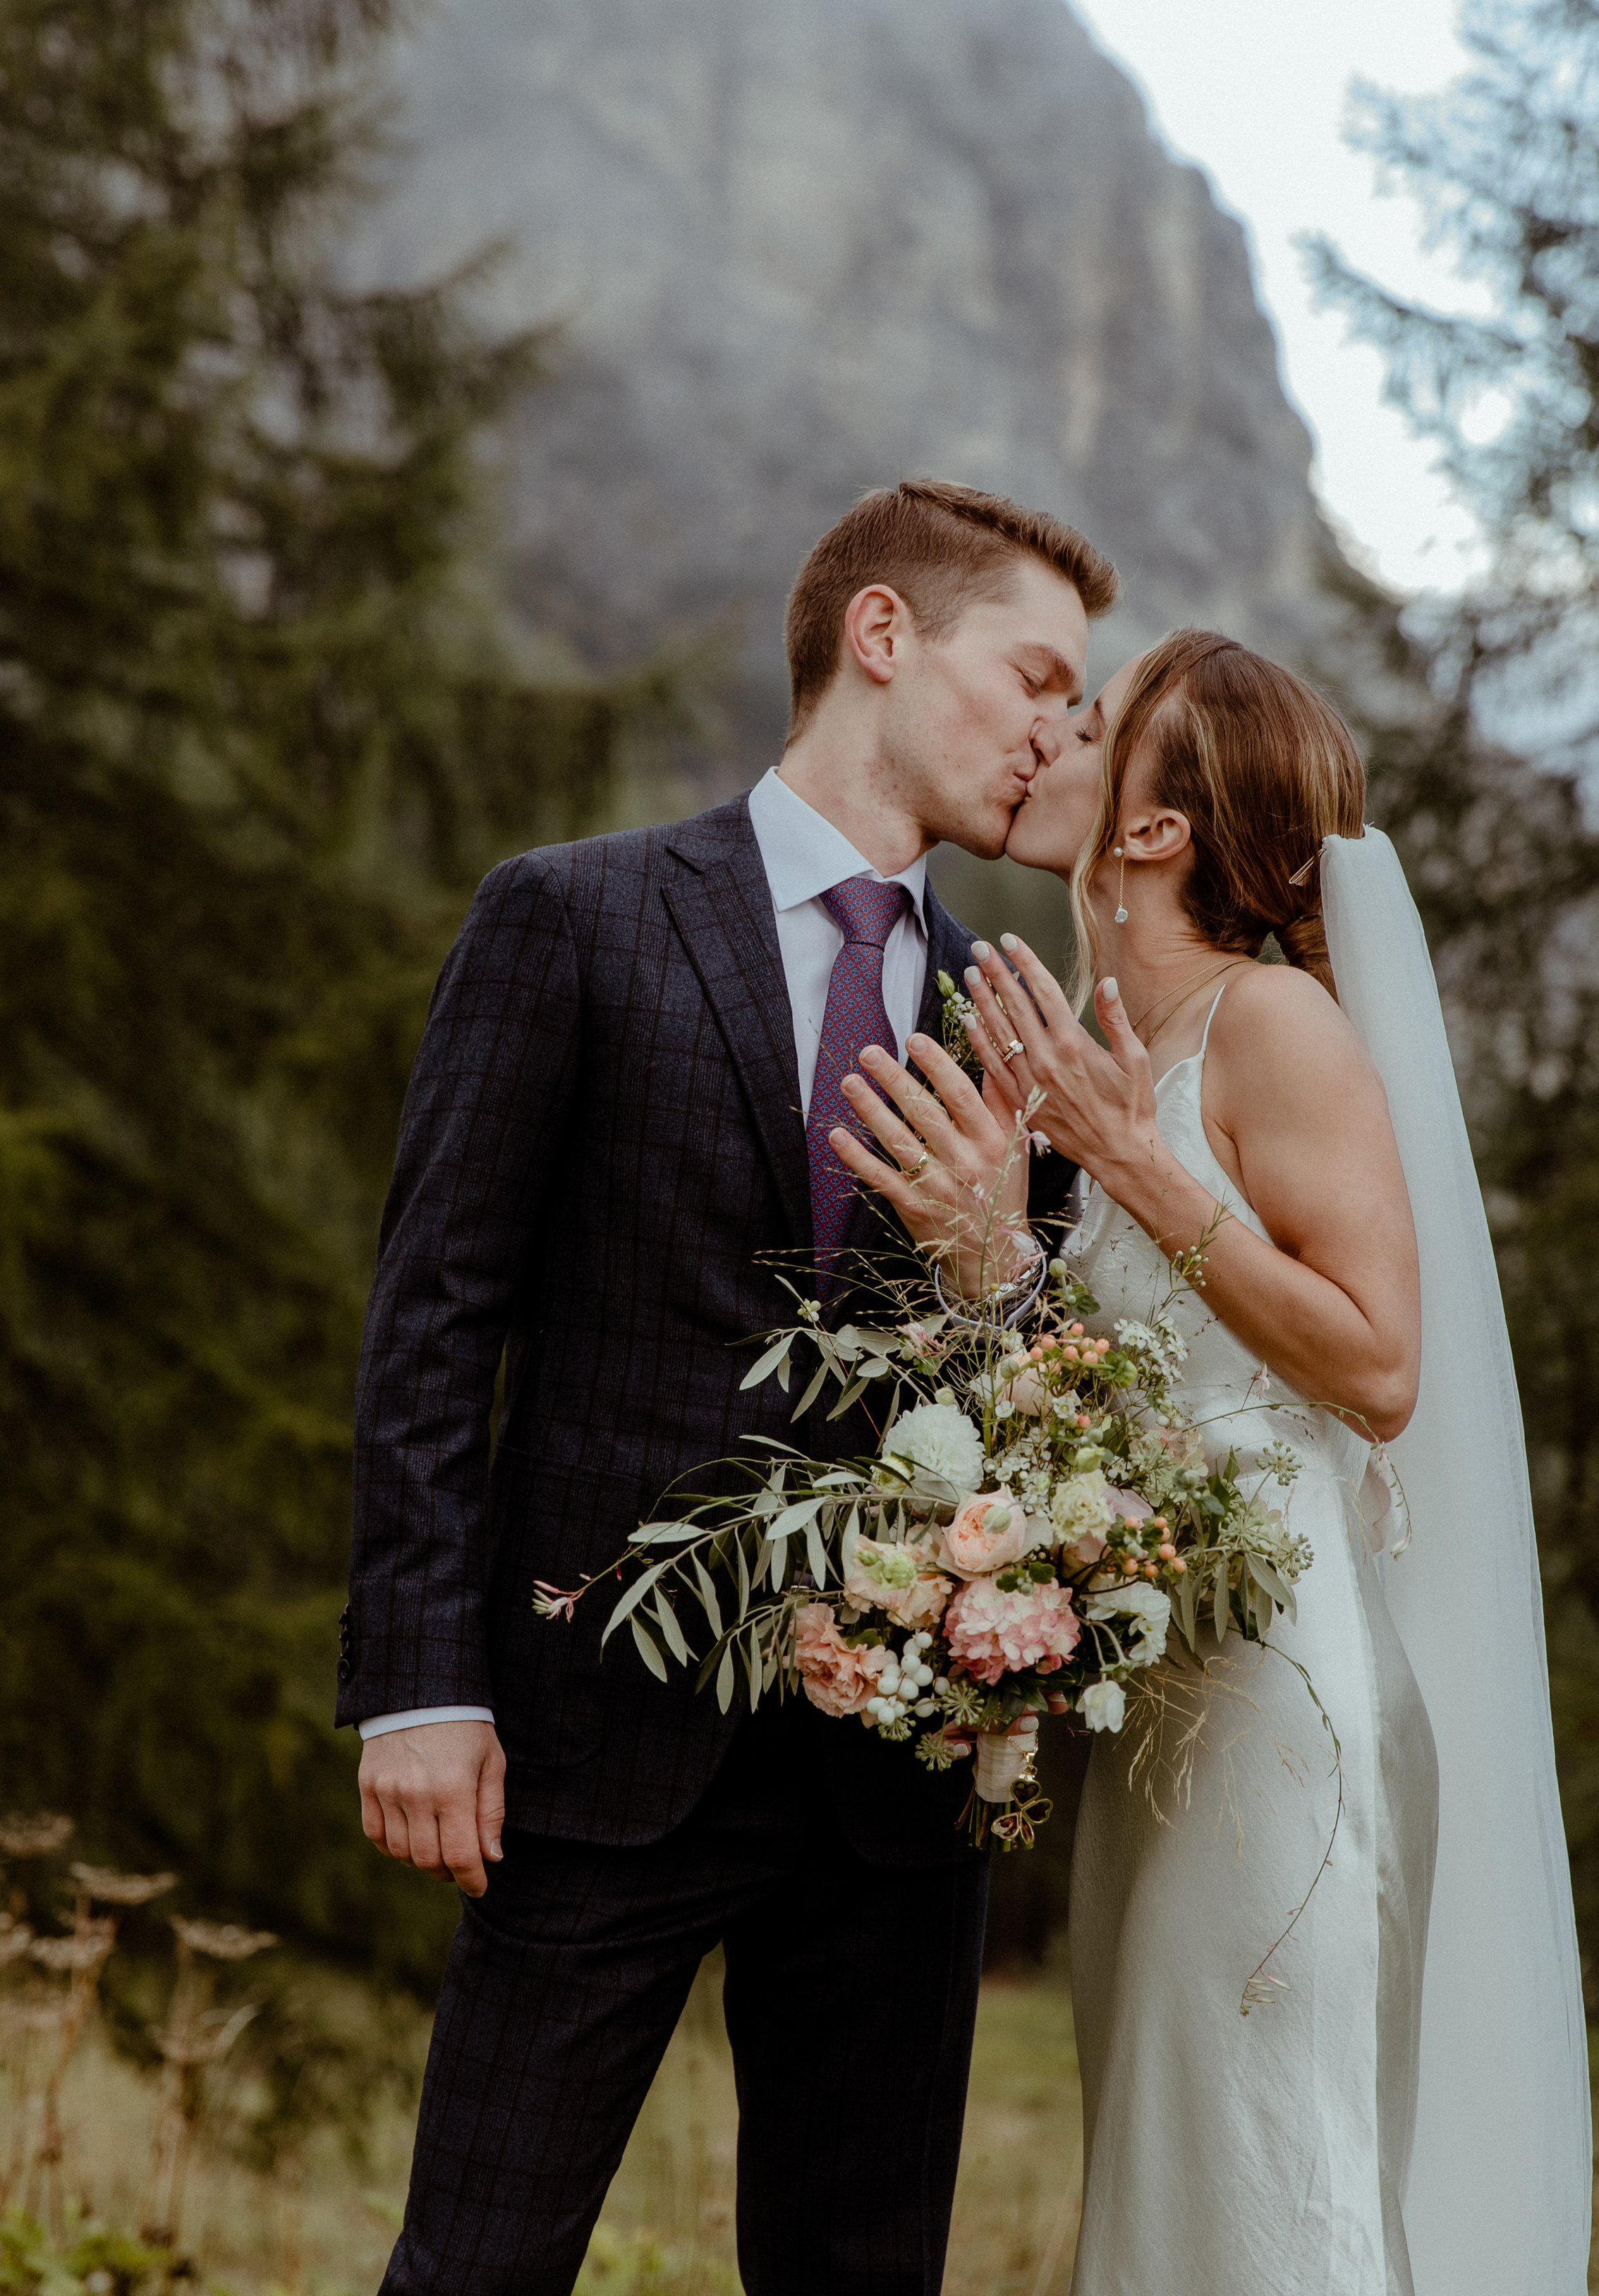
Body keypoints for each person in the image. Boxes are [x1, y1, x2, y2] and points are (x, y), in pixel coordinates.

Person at [336, 476, 1117, 2296]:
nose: (1055, 733)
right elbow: (435, 1320)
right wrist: (420, 1686)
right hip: (591, 1747)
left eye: (1075, 707)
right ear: (880, 636)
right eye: (1032, 677)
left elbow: (1051, 1397)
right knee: (475, 2267)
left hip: (893, 1774)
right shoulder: (573, 916)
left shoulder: (1011, 1023)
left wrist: (1011, 1256)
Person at [837, 628, 1591, 2296]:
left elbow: (1379, 1367)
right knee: (1176, 2148)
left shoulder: (1272, 1029)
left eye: (1090, 722)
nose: (1049, 735)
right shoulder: (1124, 1048)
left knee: (1274, 2162)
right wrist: (985, 1253)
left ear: (1158, 830)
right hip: (1171, 1695)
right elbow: (1132, 1388)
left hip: (1285, 1706)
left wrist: (1133, 1167)